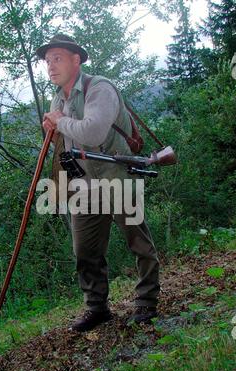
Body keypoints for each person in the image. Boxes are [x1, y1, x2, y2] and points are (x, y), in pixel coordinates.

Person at [36, 34, 160, 332]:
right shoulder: (58, 98)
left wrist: (59, 120)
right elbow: (69, 140)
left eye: (58, 58)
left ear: (76, 60)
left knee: (138, 242)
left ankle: (146, 302)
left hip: (118, 177)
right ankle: (97, 308)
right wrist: (53, 131)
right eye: (47, 60)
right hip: (84, 184)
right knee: (85, 251)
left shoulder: (100, 88)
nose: (51, 65)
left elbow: (91, 132)